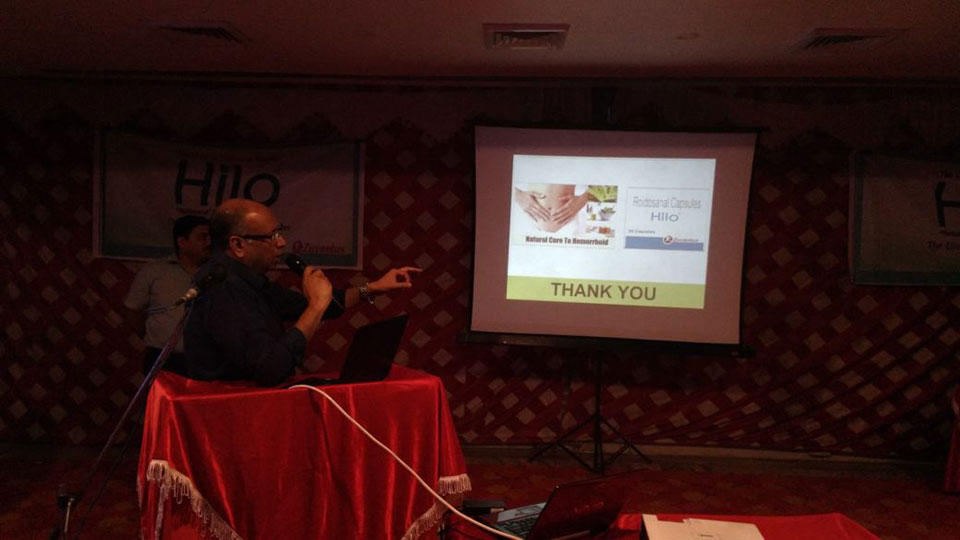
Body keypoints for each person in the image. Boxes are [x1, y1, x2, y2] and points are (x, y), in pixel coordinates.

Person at [183, 198, 420, 386]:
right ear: (238, 245)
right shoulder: (223, 288)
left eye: (280, 232)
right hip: (227, 410)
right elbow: (271, 368)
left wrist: (374, 288)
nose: (282, 243)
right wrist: (315, 307)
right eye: (272, 236)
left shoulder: (248, 280)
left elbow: (313, 304)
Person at [124, 215, 211, 375]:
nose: (209, 242)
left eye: (211, 237)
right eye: (203, 237)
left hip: (206, 360)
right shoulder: (154, 271)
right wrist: (154, 337)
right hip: (163, 358)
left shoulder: (217, 273)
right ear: (182, 242)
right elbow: (133, 310)